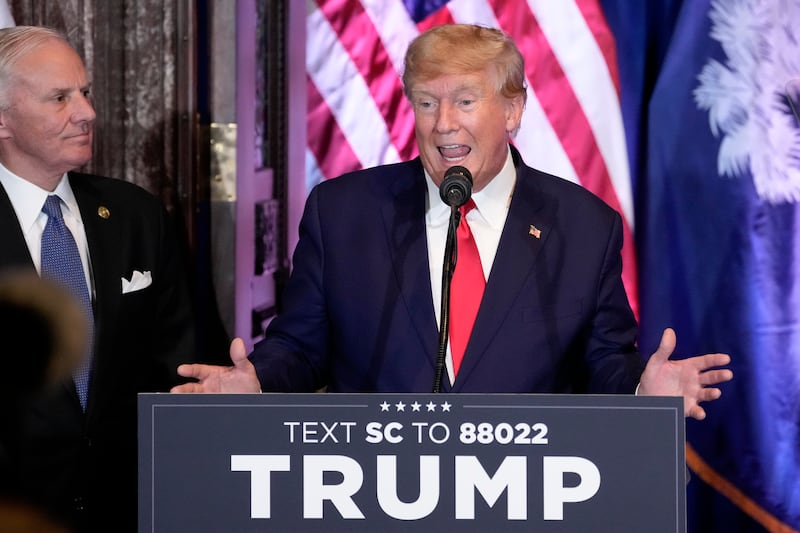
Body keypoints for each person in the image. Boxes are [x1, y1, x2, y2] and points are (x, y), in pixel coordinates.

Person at [174, 24, 732, 420]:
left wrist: (640, 388)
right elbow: (301, 346)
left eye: (465, 102)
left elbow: (602, 359)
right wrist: (260, 381)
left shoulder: (584, 226)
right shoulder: (343, 212)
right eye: (425, 103)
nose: (443, 126)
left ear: (513, 110)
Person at [0, 26, 197, 531]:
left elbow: (178, 361)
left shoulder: (135, 214)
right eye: (59, 97)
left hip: (129, 506)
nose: (87, 112)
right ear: (2, 119)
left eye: (84, 92)